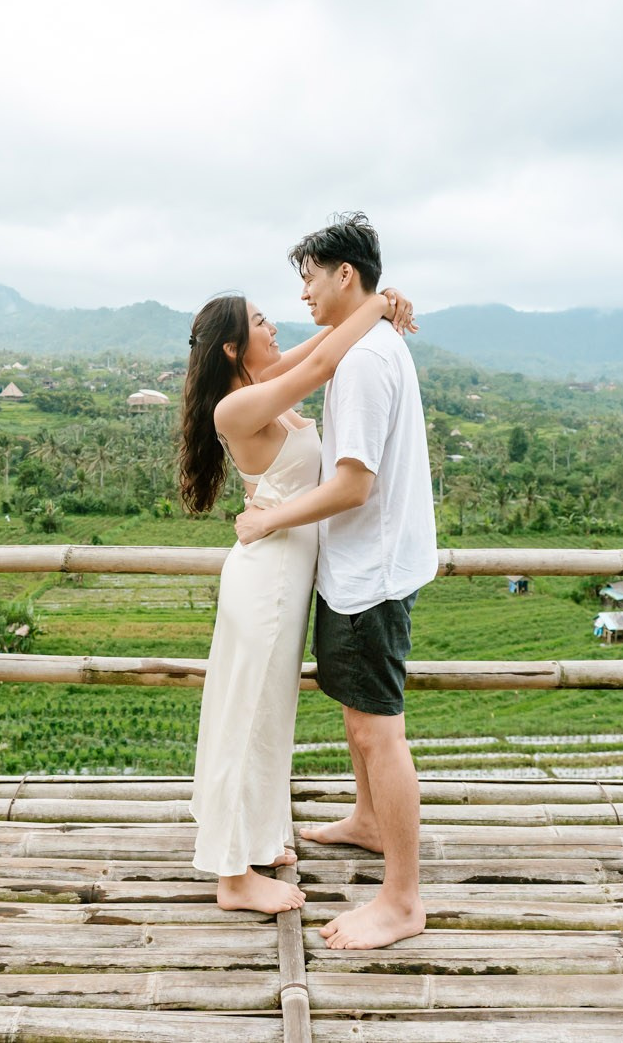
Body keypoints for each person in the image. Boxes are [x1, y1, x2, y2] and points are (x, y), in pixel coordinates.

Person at [177, 280, 416, 913]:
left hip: (285, 578)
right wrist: (377, 306)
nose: (274, 327)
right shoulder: (235, 408)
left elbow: (318, 346)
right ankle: (233, 878)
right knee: (247, 716)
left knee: (267, 716)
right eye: (261, 322)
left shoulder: (262, 384)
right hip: (266, 582)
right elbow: (321, 362)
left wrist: (379, 303)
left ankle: (254, 837)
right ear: (233, 348)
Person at [236, 212, 436, 950]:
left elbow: (353, 484)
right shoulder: (374, 341)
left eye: (310, 279)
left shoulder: (360, 363)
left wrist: (271, 517)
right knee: (359, 717)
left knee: (376, 730)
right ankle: (369, 820)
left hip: (370, 574)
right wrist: (383, 304)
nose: (304, 297)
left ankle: (403, 898)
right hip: (369, 565)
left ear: (343, 274)